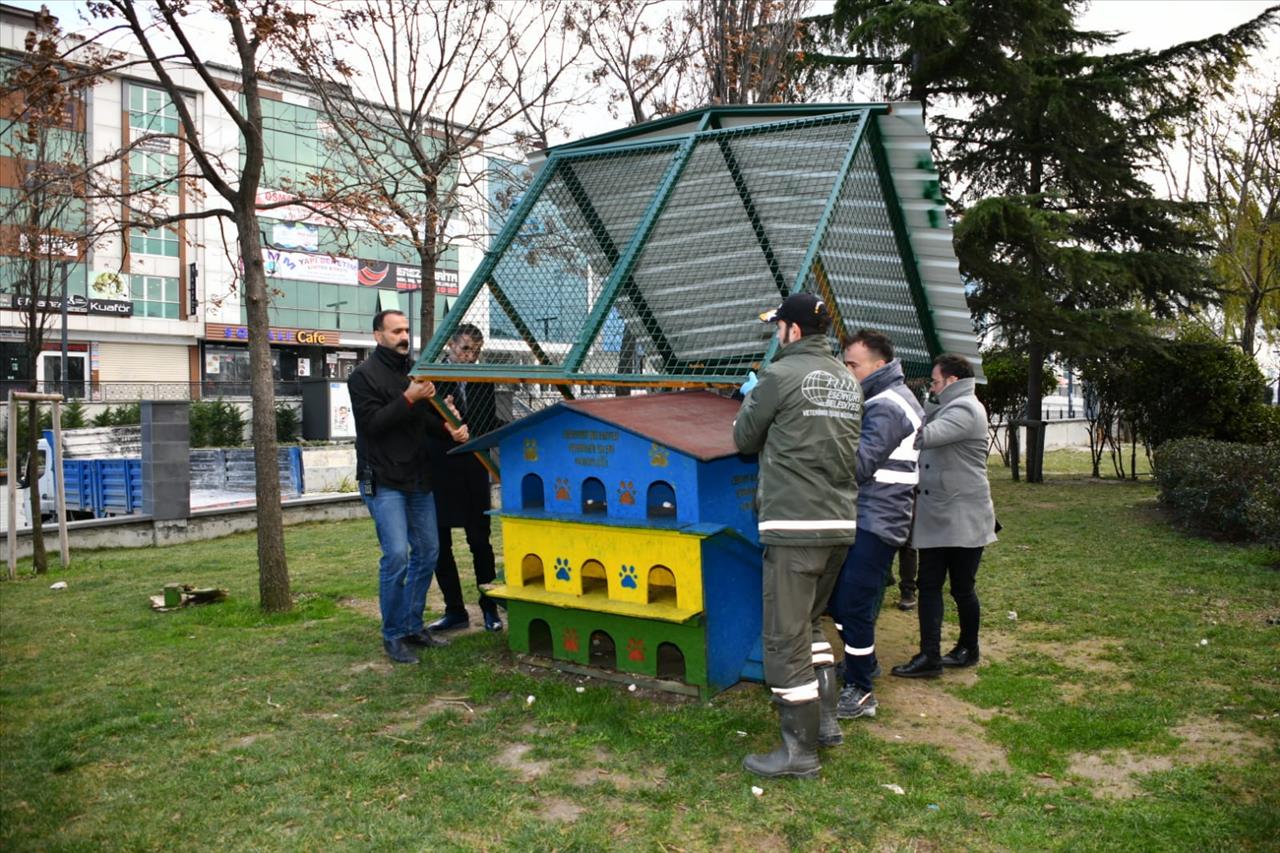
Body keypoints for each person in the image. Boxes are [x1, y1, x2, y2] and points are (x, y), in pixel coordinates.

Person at [732, 292, 862, 779]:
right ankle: (826, 723)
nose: (774, 335)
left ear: (791, 330)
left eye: (777, 327)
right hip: (839, 524)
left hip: (794, 526)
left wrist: (751, 397)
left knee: (784, 640)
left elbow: (744, 439)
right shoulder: (848, 380)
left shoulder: (780, 375)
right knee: (810, 624)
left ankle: (798, 753)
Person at [348, 309, 469, 664]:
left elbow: (424, 423)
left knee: (428, 552)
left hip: (417, 477)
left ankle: (413, 626)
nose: (404, 336)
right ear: (377, 336)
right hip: (382, 479)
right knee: (397, 555)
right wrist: (409, 398)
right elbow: (372, 425)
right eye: (396, 331)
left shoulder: (416, 372)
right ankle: (393, 635)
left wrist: (448, 423)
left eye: (406, 330)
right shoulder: (362, 377)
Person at [827, 329, 924, 720]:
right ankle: (860, 665)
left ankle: (862, 690)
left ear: (879, 366)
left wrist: (822, 437)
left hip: (876, 518)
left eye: (853, 364)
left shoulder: (887, 405)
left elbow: (859, 465)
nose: (847, 371)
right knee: (843, 600)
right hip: (869, 515)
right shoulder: (884, 397)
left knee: (852, 603)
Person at [891, 353, 997, 679]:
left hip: (960, 517)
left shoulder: (965, 408)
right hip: (947, 514)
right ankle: (933, 655)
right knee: (933, 584)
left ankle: (963, 650)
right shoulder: (955, 405)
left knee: (960, 587)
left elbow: (922, 436)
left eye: (935, 382)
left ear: (952, 380)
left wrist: (891, 411)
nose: (932, 387)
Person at [428, 323, 505, 633]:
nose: (470, 356)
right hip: (441, 469)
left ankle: (489, 607)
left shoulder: (481, 379)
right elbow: (421, 423)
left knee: (479, 541)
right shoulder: (431, 377)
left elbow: (488, 420)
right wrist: (445, 425)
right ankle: (454, 610)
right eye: (465, 349)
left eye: (475, 351)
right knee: (439, 544)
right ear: (450, 346)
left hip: (473, 468)